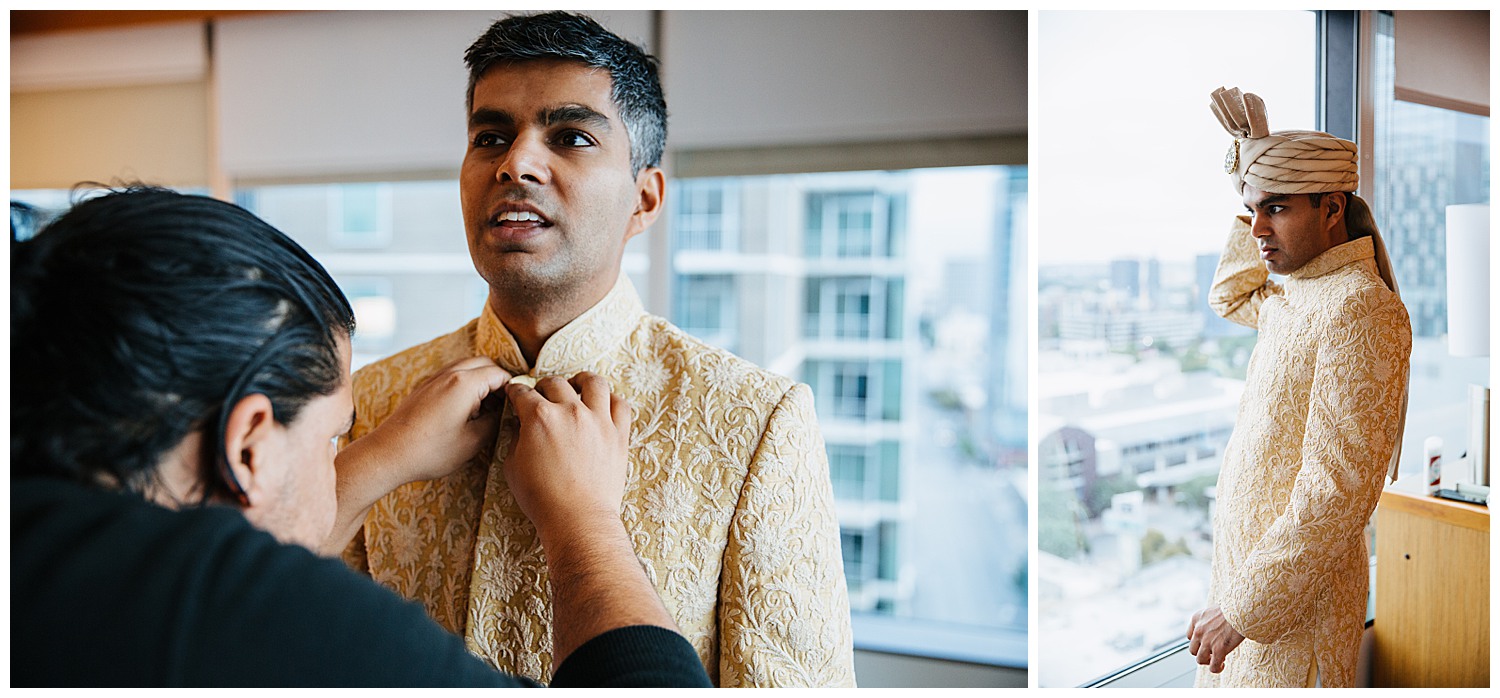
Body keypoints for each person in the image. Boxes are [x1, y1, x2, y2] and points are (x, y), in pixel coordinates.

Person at [10, 187, 712, 688]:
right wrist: (585, 520)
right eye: (332, 437)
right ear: (248, 444)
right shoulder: (231, 611)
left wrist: (380, 457)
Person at [340, 11, 855, 687]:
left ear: (644, 200)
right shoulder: (373, 400)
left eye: (572, 136)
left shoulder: (759, 421)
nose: (516, 162)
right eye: (489, 136)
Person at [1186, 87, 1412, 688]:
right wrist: (1254, 173)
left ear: (1332, 208)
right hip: (1247, 584)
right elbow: (1228, 295)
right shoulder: (1295, 291)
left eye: (1277, 208)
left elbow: (1337, 489)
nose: (1258, 229)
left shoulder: (1359, 308)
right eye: (1250, 210)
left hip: (1291, 611)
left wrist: (1243, 608)